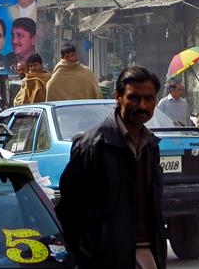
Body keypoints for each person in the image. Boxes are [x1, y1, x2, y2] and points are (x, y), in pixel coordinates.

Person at [57, 66, 167, 269]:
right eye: (134, 98)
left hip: (148, 254)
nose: (143, 105)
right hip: (106, 258)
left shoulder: (150, 146)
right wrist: (89, 254)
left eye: (149, 99)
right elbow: (69, 212)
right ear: (118, 97)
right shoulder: (92, 146)